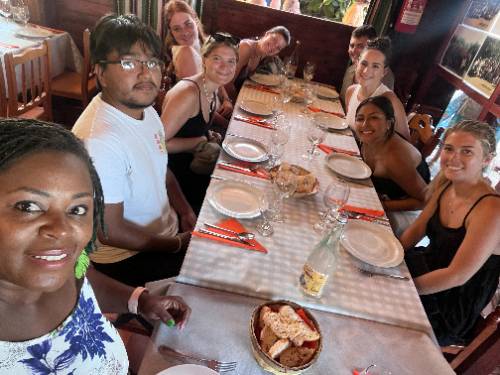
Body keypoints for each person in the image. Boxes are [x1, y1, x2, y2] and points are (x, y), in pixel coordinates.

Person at [0, 118, 190, 374]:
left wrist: (138, 300)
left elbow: (83, 275)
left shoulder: (61, 265)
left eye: (77, 209)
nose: (63, 229)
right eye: (28, 206)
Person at [73, 14, 196, 287]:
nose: (145, 73)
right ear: (101, 72)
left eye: (152, 62)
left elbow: (160, 169)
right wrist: (175, 244)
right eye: (129, 62)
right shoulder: (100, 141)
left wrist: (185, 211)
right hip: (126, 258)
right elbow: (110, 231)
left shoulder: (147, 111)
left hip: (165, 231)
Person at [401, 120, 500, 346]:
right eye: (449, 149)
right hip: (428, 267)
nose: (453, 158)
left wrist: (403, 289)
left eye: (467, 152)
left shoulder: (491, 209)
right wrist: (389, 258)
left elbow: (457, 276)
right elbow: (416, 231)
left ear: (486, 159)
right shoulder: (448, 184)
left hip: (451, 302)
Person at [161, 33, 239, 214]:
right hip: (174, 181)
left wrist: (207, 135)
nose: (225, 67)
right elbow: (156, 145)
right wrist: (197, 142)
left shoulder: (212, 87)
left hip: (193, 167)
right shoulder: (188, 94)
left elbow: (191, 128)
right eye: (217, 59)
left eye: (231, 61)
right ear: (204, 59)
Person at [355, 96, 429, 212]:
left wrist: (382, 205)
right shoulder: (370, 138)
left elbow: (425, 201)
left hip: (402, 210)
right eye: (360, 118)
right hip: (376, 194)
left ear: (389, 123)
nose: (364, 124)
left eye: (373, 118)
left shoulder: (394, 158)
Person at [163, 0, 233, 121]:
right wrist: (227, 125)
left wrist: (226, 100)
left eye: (188, 24)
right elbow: (201, 105)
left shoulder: (204, 43)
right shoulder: (186, 53)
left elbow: (214, 76)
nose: (184, 32)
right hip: (203, 121)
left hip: (217, 109)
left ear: (195, 20)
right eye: (177, 29)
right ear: (171, 32)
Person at [345, 37, 410, 140]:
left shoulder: (390, 100)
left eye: (375, 66)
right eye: (364, 63)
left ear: (384, 72)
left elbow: (406, 144)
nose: (366, 71)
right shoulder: (351, 91)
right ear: (357, 63)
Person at [225, 25, 290, 100]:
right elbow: (227, 82)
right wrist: (235, 101)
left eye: (278, 48)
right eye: (274, 40)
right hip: (223, 93)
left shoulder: (264, 54)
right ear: (267, 34)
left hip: (240, 91)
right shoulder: (246, 48)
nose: (273, 47)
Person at [340, 25, 395, 105]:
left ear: (371, 47)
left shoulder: (383, 76)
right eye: (352, 46)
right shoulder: (350, 70)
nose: (354, 50)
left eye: (360, 46)